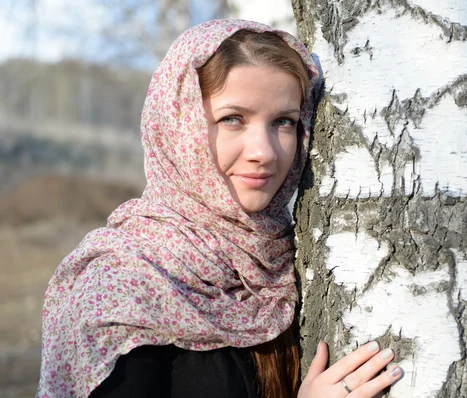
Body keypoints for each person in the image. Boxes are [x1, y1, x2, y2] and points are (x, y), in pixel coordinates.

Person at [37, 19, 404, 398]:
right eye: (233, 119)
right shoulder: (123, 283)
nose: (263, 152)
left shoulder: (291, 262)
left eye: (283, 122)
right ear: (179, 126)